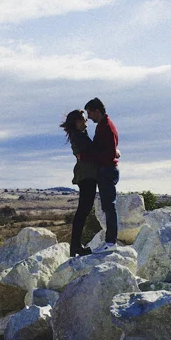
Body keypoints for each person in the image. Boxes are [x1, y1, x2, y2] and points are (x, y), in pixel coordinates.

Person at [84, 97, 119, 251]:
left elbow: (109, 152)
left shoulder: (106, 127)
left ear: (97, 111)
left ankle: (111, 243)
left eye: (90, 113)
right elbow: (110, 149)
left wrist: (90, 156)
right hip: (106, 170)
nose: (89, 117)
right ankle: (110, 241)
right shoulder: (103, 125)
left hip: (107, 170)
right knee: (108, 207)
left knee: (110, 207)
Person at [60, 109, 97, 257]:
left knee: (83, 210)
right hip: (86, 175)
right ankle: (75, 245)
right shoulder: (78, 136)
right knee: (83, 211)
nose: (86, 122)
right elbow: (92, 152)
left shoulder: (79, 135)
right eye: (83, 119)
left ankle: (75, 245)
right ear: (76, 121)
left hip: (87, 174)